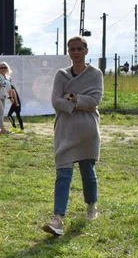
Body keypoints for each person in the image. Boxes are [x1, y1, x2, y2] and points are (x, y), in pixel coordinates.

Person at [44, 35, 104, 236]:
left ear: (86, 50)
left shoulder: (96, 74)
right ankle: (57, 218)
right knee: (63, 173)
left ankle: (91, 206)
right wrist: (78, 104)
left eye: (79, 48)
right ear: (68, 52)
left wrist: (73, 97)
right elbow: (55, 101)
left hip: (87, 129)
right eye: (72, 49)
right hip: (65, 129)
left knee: (88, 171)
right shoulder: (61, 75)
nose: (76, 52)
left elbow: (95, 100)